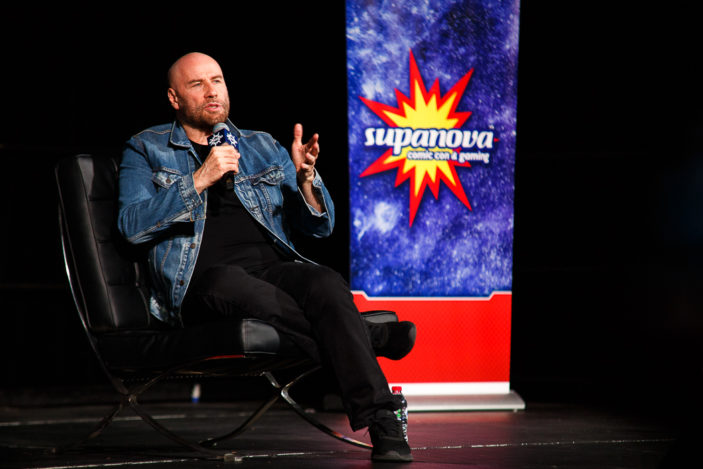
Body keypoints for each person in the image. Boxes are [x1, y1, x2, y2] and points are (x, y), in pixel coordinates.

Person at [117, 52, 415, 462]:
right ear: (174, 98)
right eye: (197, 84)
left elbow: (319, 228)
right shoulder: (146, 147)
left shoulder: (261, 145)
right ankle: (367, 341)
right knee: (233, 284)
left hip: (271, 270)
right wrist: (199, 179)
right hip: (199, 284)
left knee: (325, 282)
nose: (211, 91)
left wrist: (306, 182)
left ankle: (384, 424)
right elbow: (131, 225)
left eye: (217, 80)